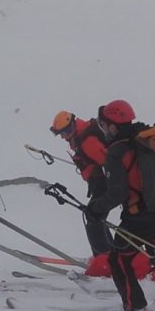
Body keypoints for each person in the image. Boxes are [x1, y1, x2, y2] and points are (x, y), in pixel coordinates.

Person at [87, 100, 155, 311]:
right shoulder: (146, 138)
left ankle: (133, 305)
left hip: (137, 218)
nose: (104, 130)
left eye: (105, 125)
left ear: (114, 125)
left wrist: (96, 208)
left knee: (119, 261)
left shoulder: (116, 152)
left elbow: (118, 193)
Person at [49, 110, 112, 256]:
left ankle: (105, 259)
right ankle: (110, 254)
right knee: (96, 218)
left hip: (105, 183)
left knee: (93, 219)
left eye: (66, 131)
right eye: (60, 134)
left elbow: (108, 162)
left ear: (72, 126)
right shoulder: (81, 135)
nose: (64, 137)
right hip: (101, 182)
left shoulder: (87, 140)